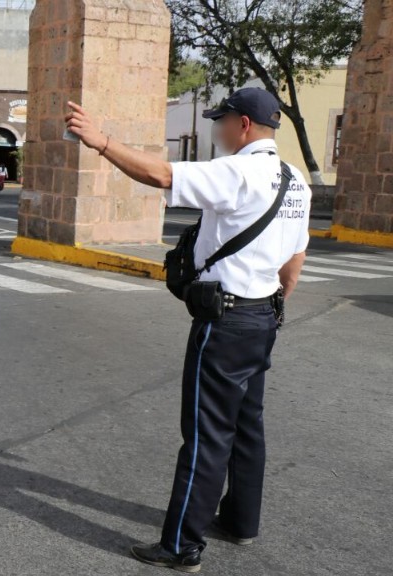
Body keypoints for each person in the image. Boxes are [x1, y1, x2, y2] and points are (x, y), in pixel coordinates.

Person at [65, 87, 310, 573]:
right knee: (247, 426)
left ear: (243, 125)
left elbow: (160, 174)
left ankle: (181, 546)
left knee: (206, 433)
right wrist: (275, 305)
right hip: (263, 315)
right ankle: (240, 522)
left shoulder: (236, 171)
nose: (216, 128)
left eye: (221, 120)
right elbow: (296, 256)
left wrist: (101, 141)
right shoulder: (295, 179)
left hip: (227, 321)